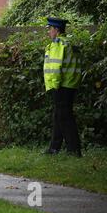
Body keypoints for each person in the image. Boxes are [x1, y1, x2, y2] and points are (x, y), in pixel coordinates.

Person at [43, 17, 82, 157]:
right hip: (71, 84)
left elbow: (55, 67)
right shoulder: (70, 43)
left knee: (65, 118)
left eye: (50, 29)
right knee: (59, 116)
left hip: (61, 86)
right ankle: (54, 148)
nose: (49, 32)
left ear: (57, 30)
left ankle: (74, 150)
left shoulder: (58, 44)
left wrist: (54, 86)